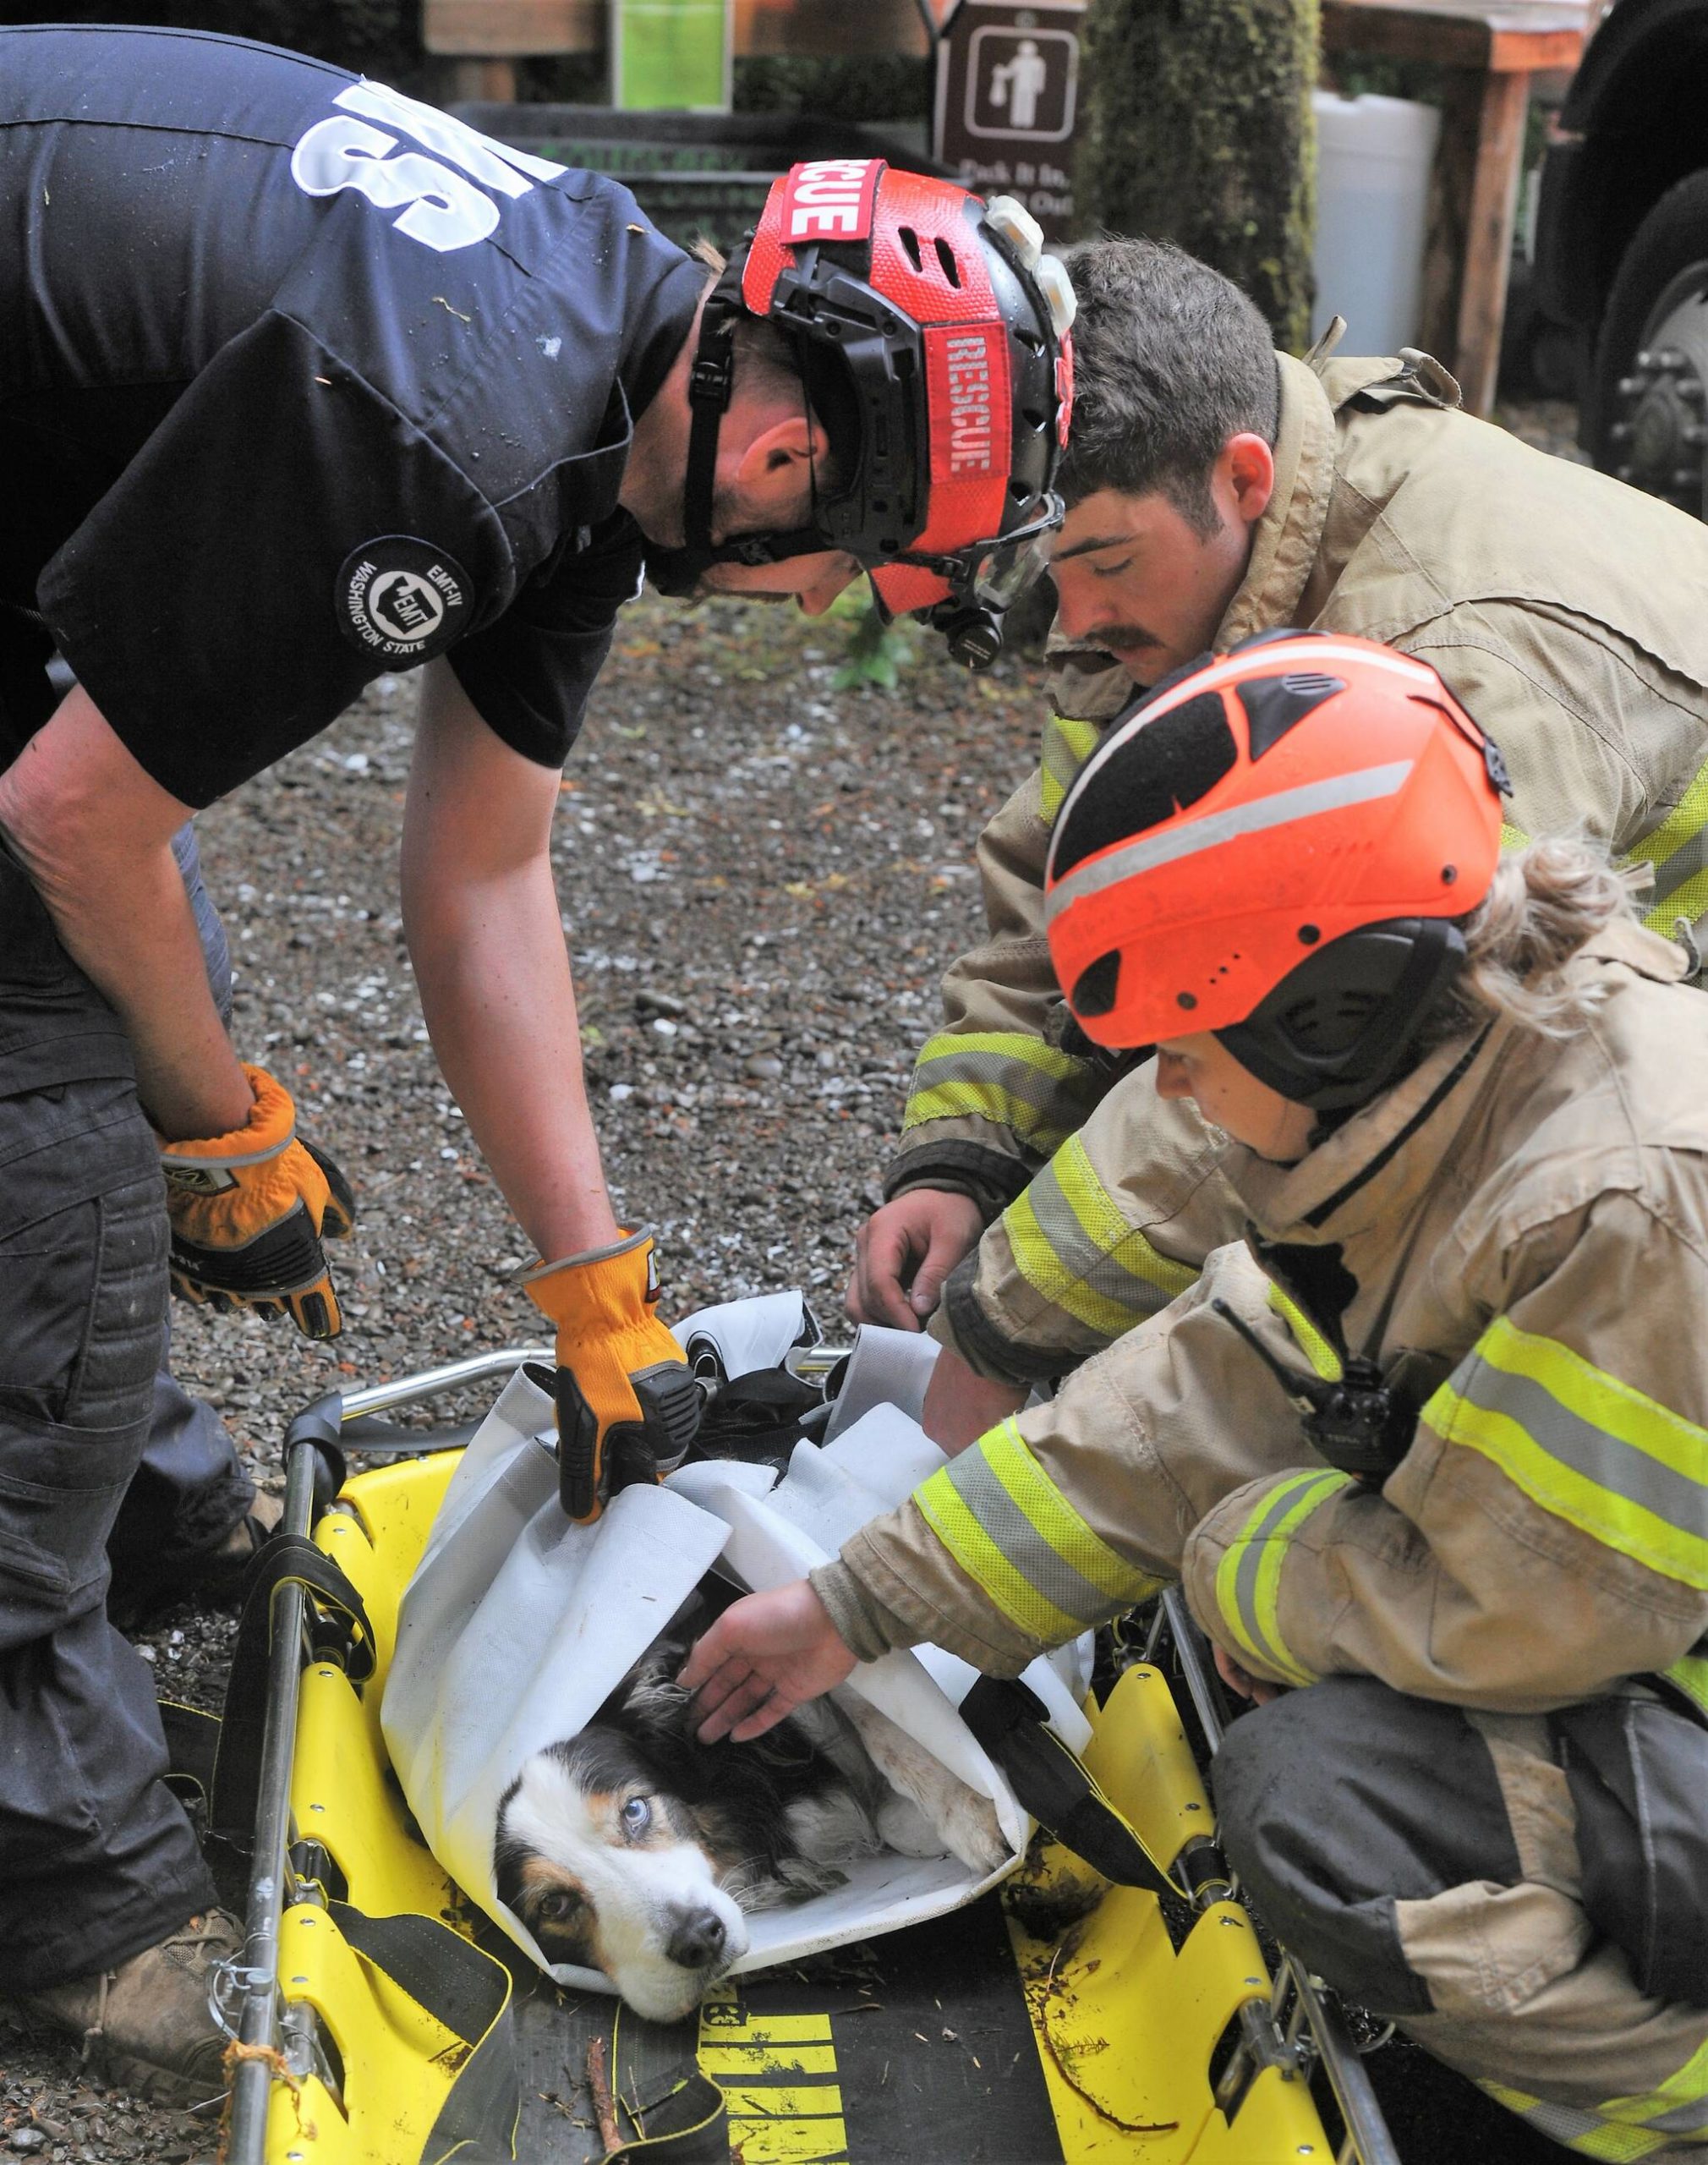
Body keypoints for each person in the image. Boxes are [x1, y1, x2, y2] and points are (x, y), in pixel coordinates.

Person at [0, 23, 1076, 2096]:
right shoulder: (457, 430)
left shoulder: (611, 390)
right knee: (55, 1101)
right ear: (787, 463)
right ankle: (62, 1893)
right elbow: (69, 824)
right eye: (873, 559)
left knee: (117, 989)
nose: (839, 596)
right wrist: (216, 1126)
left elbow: (482, 880)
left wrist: (596, 1291)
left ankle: (145, 1511)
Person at [685, 636, 1708, 2156]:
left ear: (1331, 1008)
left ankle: (1666, 2105)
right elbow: (1191, 1406)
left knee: (1314, 1800)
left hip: (1646, 1661)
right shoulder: (1448, 1099)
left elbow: (1514, 1623)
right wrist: (850, 1608)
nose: (1160, 1092)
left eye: (1177, 1044)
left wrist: (1246, 1567)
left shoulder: (1617, 1212)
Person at [849, 235, 1708, 1437]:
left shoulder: (1458, 662)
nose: (1077, 615)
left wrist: (1001, 1327)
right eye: (1053, 566)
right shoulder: (1192, 548)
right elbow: (1074, 892)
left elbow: (1327, 1051)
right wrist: (962, 1156)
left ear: (1245, 479)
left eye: (1102, 562)